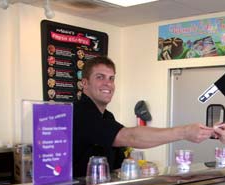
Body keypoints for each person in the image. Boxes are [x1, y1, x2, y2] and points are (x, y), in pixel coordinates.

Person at [73, 56, 213, 177]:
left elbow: (116, 167)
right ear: (84, 83)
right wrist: (185, 132)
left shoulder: (107, 117)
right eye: (100, 77)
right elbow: (131, 137)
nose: (108, 84)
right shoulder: (79, 113)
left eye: (111, 78)